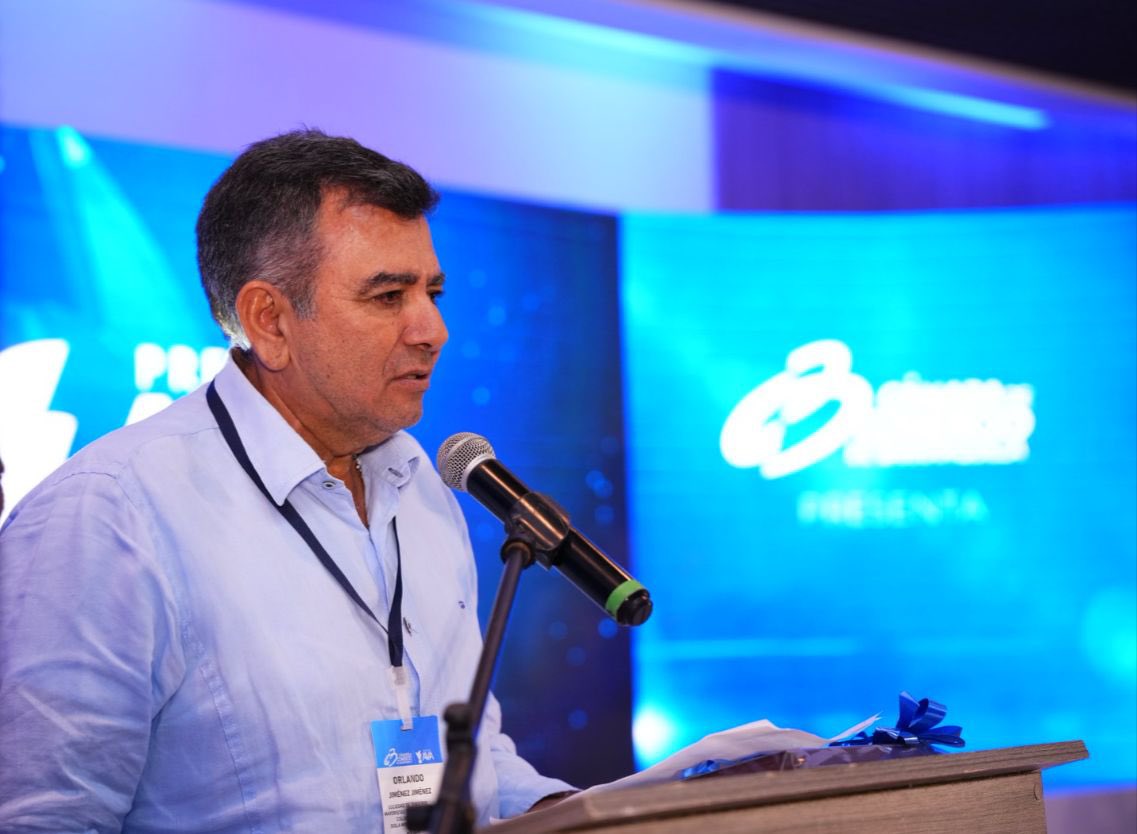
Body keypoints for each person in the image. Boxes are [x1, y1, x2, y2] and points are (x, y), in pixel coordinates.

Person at [0, 130, 574, 833]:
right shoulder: (109, 517)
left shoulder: (422, 486)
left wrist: (571, 814)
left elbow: (469, 752)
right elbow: (46, 816)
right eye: (388, 295)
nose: (433, 329)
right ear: (269, 322)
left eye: (433, 291)